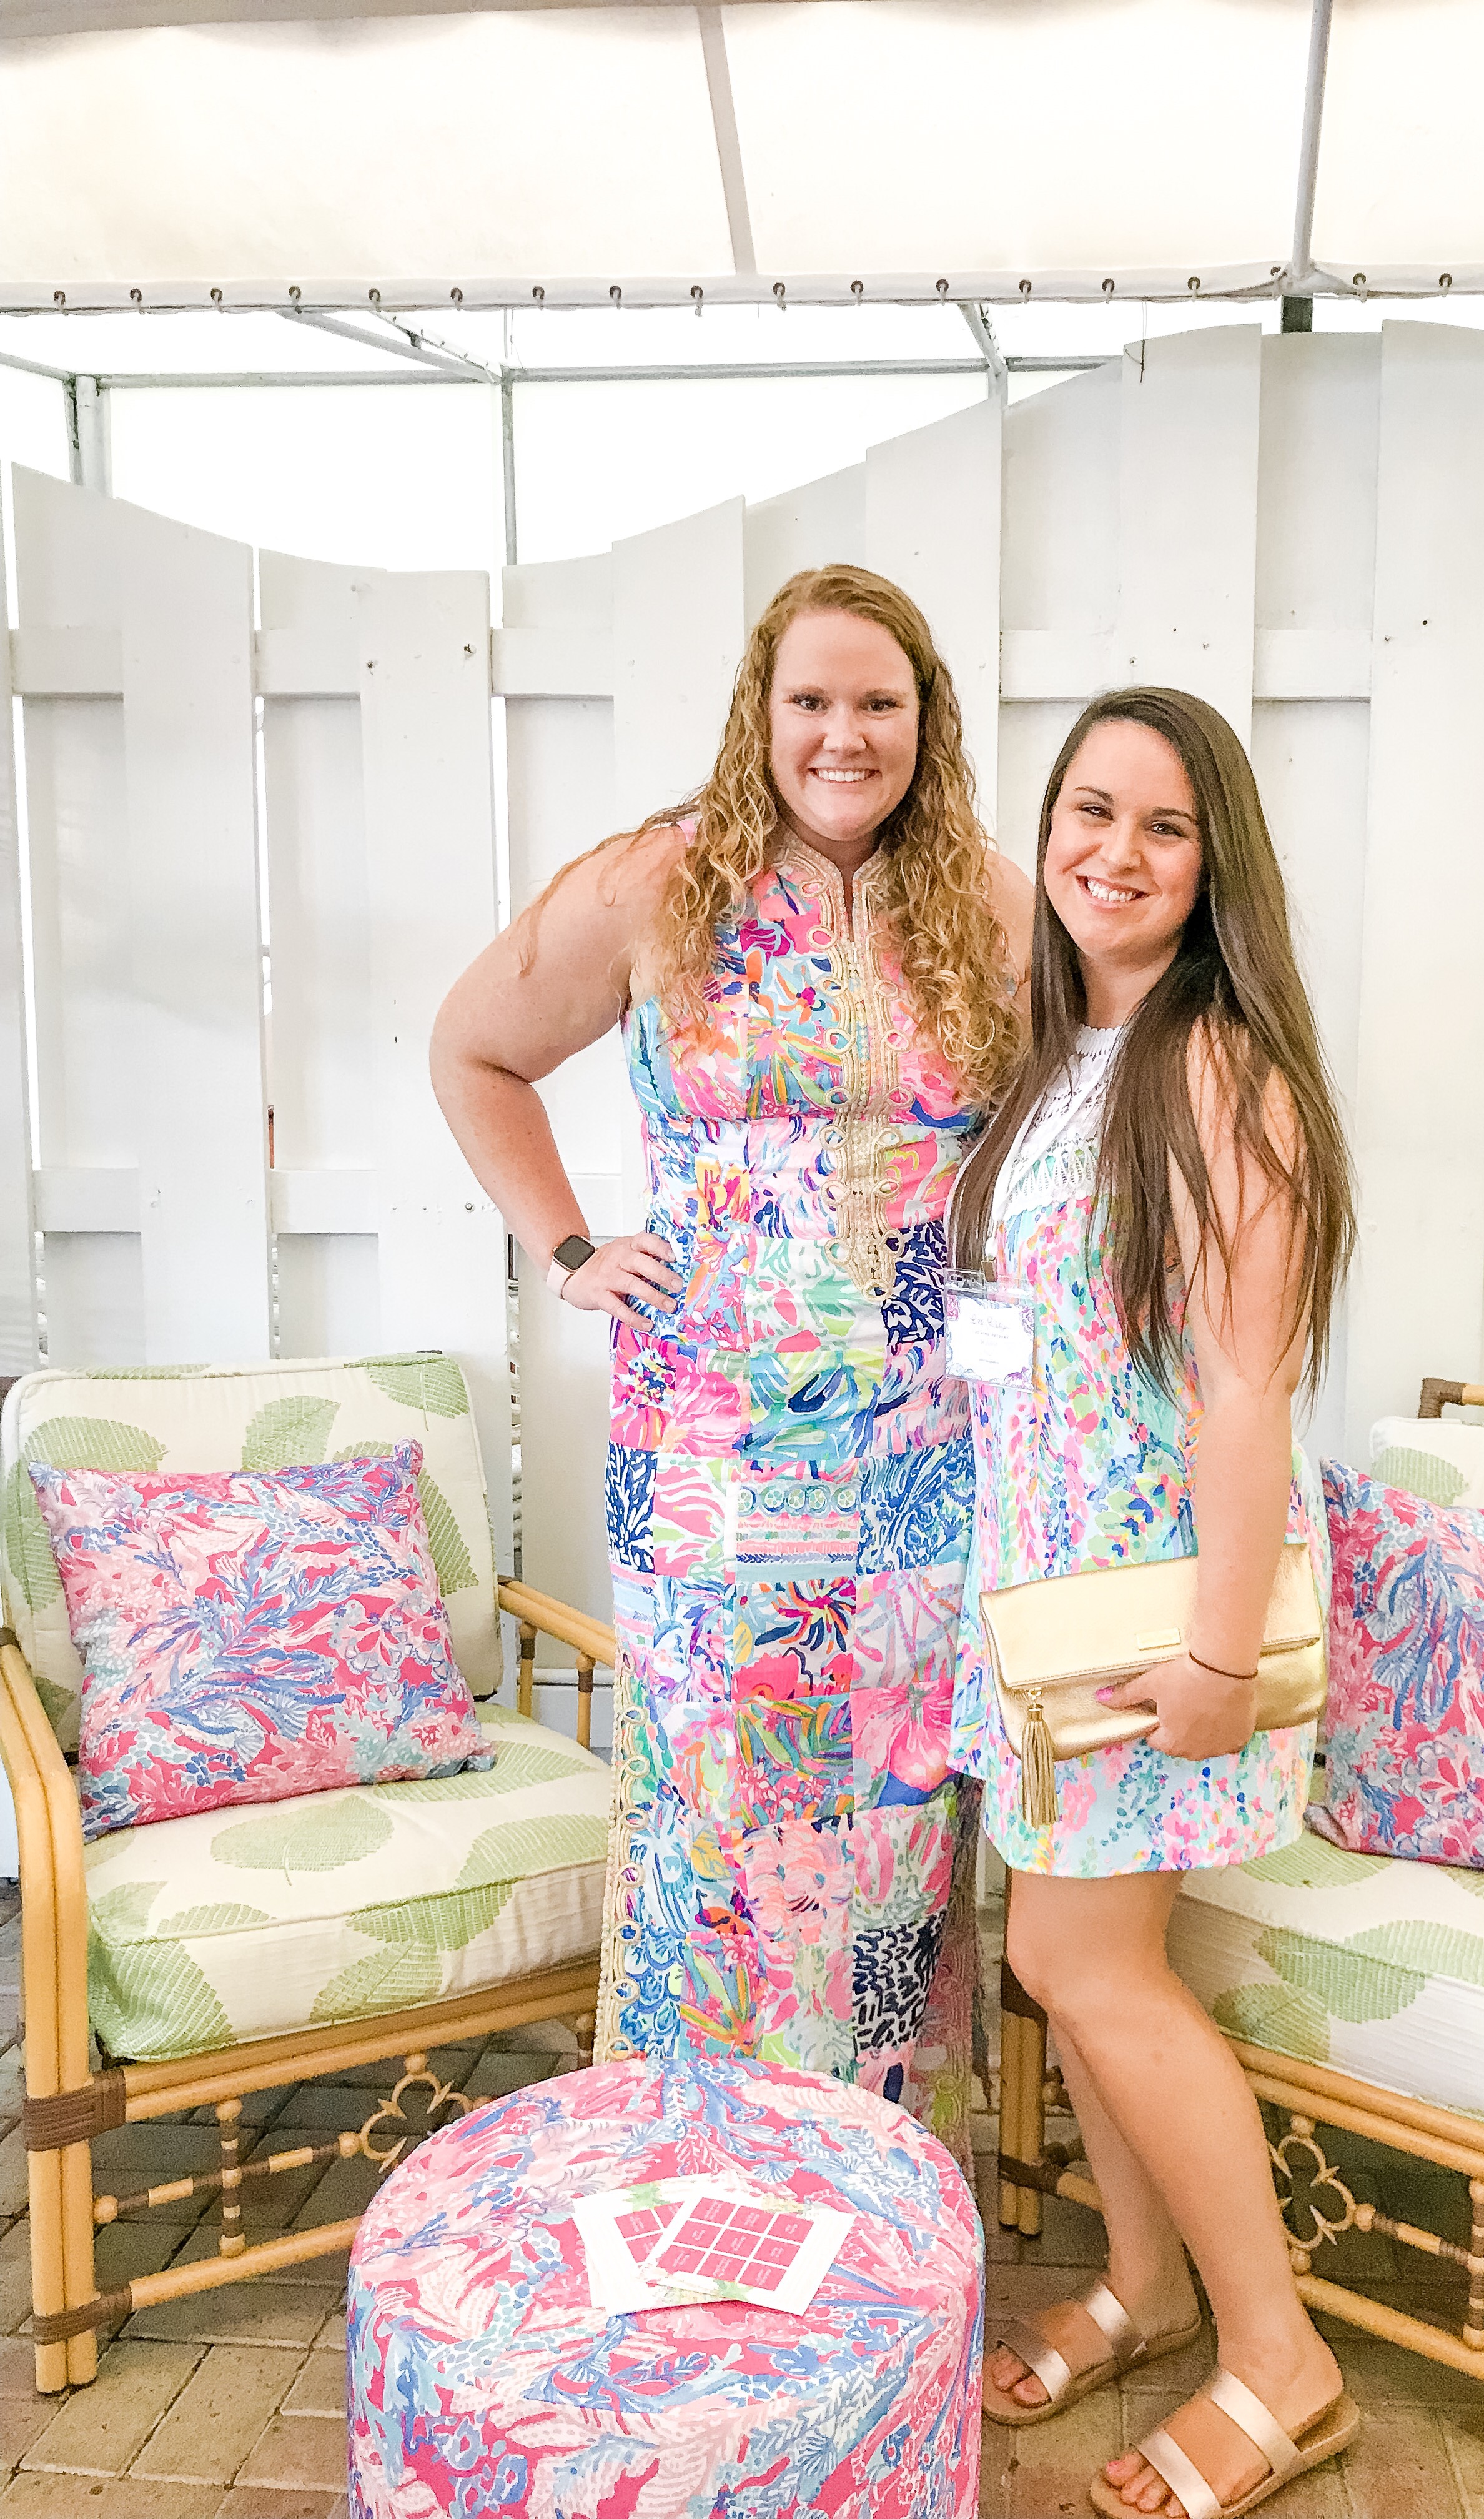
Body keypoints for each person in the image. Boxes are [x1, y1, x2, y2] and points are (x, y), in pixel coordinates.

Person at [432, 564, 1032, 2153]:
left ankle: (881, 2167)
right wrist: (571, 1249)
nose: (846, 733)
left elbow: (1078, 1116)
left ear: (927, 719)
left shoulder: (988, 898)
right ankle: (699, 2156)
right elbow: (475, 1050)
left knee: (895, 1816)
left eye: (880, 702)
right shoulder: (658, 879)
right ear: (759, 712)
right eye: (812, 700)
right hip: (707, 1452)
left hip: (921, 1453)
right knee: (715, 1811)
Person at [950, 688, 1359, 2518]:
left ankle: (1284, 2363)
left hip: (1153, 1616)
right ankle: (1146, 2283)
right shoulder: (1069, 1057)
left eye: (1164, 827)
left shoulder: (1218, 1071)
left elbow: (1247, 1392)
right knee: (1069, 1963)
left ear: (1216, 868)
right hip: (1047, 1608)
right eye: (1089, 811)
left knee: (1086, 1967)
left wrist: (1216, 1654)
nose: (1115, 852)